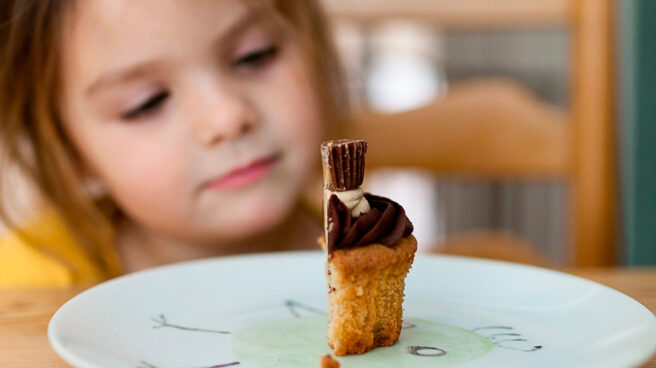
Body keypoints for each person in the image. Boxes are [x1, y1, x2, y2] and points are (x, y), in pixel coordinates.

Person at [0, 0, 348, 287]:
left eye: (254, 55)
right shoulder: (19, 289)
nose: (226, 117)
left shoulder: (377, 248)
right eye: (146, 103)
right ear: (69, 151)